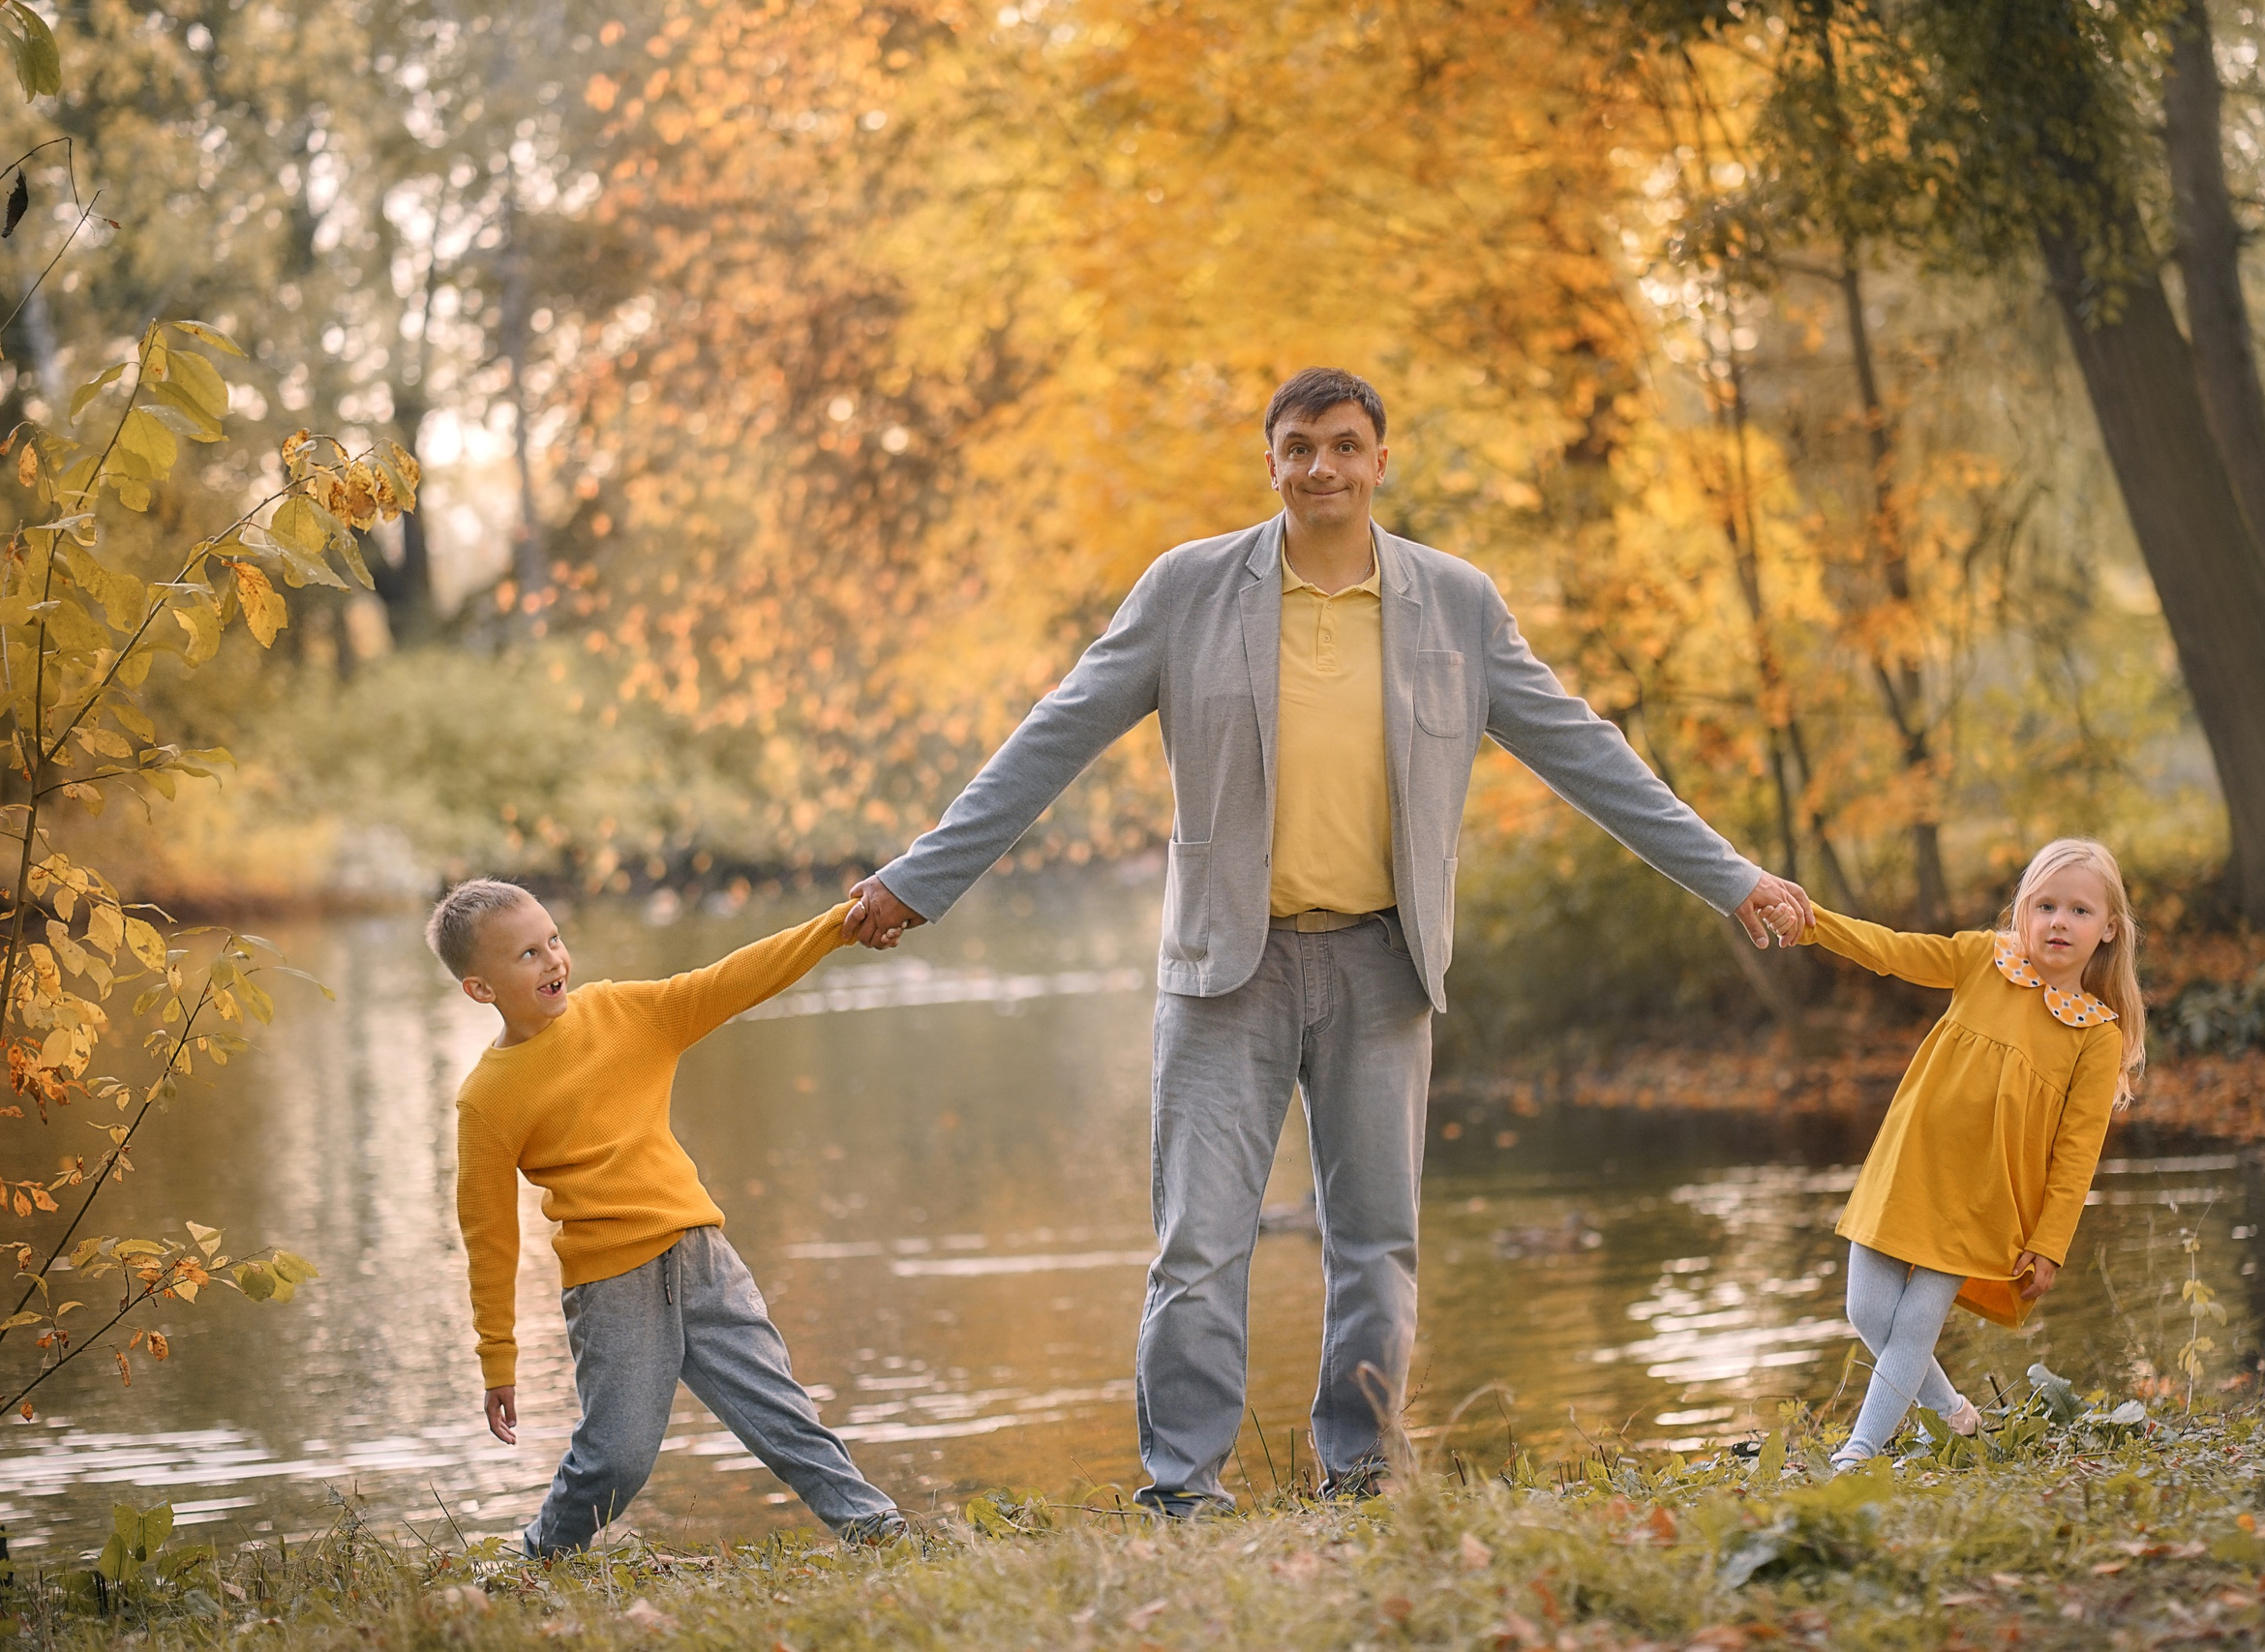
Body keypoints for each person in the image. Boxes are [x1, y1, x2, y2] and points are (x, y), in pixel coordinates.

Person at [840, 367, 1812, 1514]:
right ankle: (1182, 1494)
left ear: (1379, 461)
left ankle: (1357, 1477)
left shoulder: (1455, 605)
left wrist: (1729, 875)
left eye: (1344, 446)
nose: (1322, 469)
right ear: (1270, 462)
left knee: (1375, 1244)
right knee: (1198, 1246)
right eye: (1298, 447)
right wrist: (921, 878)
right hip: (1222, 972)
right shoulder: (1187, 592)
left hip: (1383, 965)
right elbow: (1049, 739)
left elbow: (1586, 753)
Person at [430, 879, 903, 1554]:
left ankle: (878, 1530)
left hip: (702, 1256)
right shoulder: (487, 1098)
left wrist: (835, 925)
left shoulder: (626, 1012)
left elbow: (733, 979)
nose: (554, 959)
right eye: (528, 954)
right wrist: (496, 1356)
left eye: (555, 940)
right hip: (611, 1287)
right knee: (614, 1462)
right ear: (481, 988)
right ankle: (534, 1559)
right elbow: (489, 1237)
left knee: (783, 1412)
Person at [1790, 838, 2146, 1471]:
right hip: (1910, 1161)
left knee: (1918, 1319)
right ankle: (1952, 1412)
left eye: (2080, 911)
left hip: (1984, 1197)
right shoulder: (1985, 959)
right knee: (1866, 1309)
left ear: (2110, 929)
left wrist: (2050, 1240)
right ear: (2023, 911)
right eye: (2046, 905)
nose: (2060, 921)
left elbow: (2076, 1152)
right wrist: (1816, 922)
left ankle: (1859, 1452)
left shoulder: (2095, 1034)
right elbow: (1893, 949)